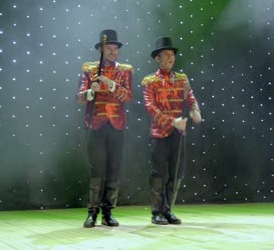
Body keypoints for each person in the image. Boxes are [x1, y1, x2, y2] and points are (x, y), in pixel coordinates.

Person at [141, 36, 201, 225]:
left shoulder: (182, 79)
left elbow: (190, 97)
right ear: (157, 58)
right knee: (158, 174)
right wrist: (171, 121)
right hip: (160, 134)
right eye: (166, 55)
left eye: (172, 54)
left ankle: (168, 210)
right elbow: (150, 107)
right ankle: (156, 212)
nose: (170, 58)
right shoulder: (150, 81)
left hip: (178, 133)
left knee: (176, 173)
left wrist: (195, 110)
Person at [76, 29, 133, 228]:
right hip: (96, 124)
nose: (112, 52)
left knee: (113, 169)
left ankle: (108, 212)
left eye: (115, 48)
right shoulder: (89, 68)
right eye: (108, 48)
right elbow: (79, 97)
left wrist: (110, 85)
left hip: (116, 125)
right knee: (96, 169)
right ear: (100, 50)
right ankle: (92, 211)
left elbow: (127, 97)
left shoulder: (125, 70)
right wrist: (91, 91)